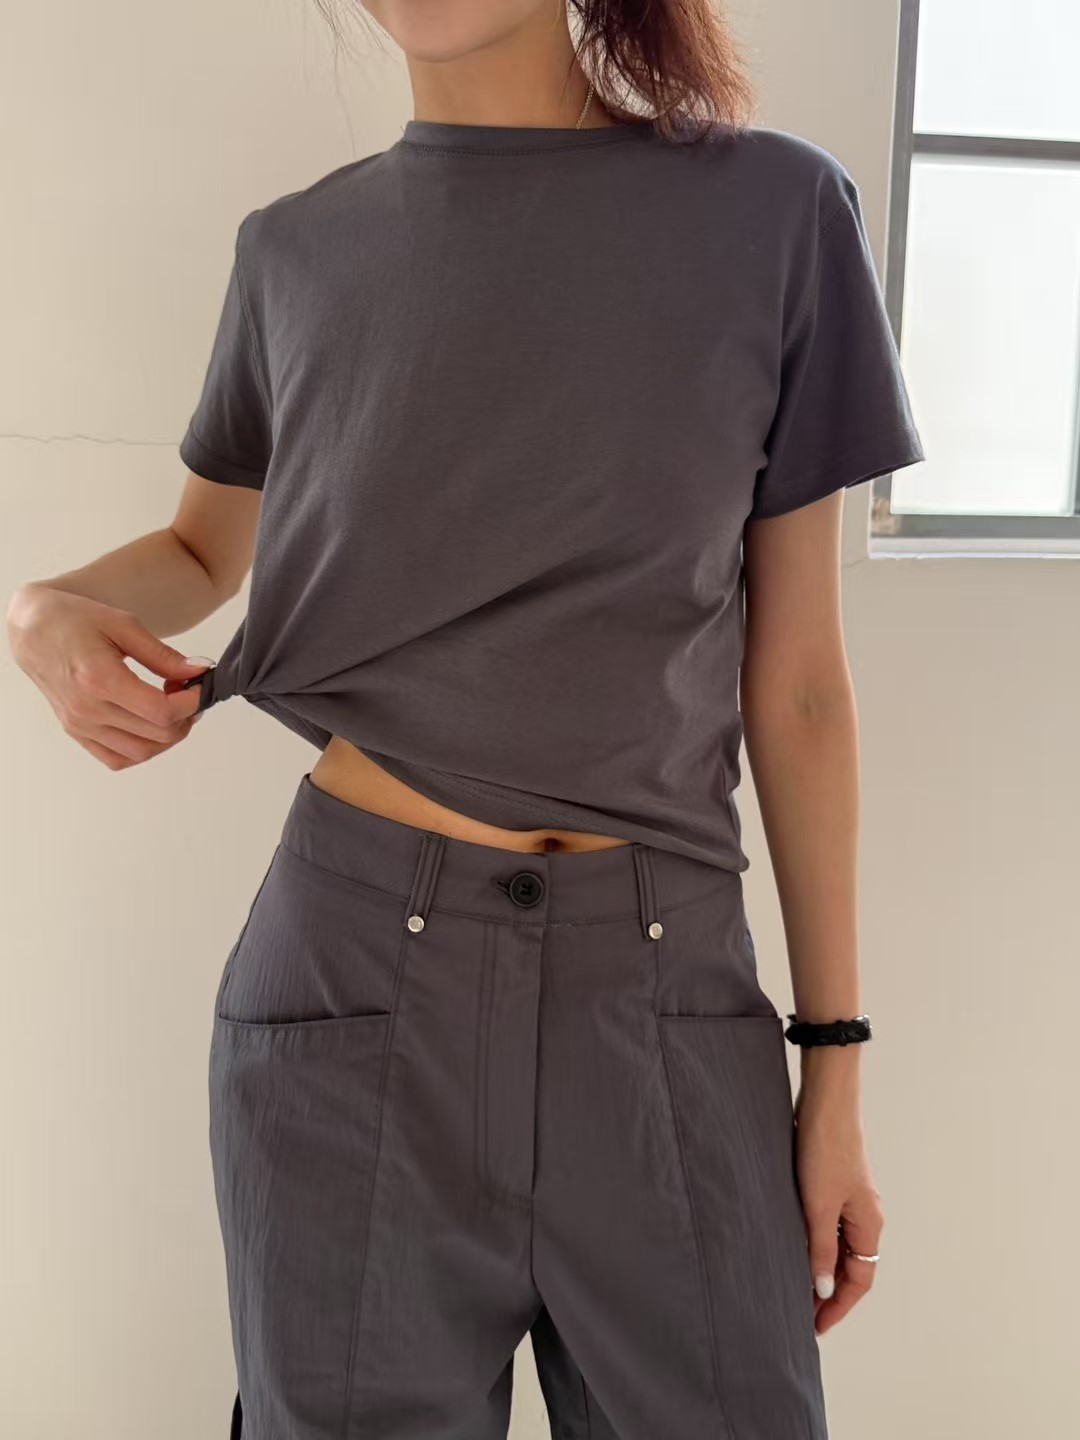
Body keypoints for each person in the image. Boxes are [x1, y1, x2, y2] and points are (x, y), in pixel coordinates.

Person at [6, 2, 924, 1436]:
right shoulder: (296, 252)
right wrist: (42, 611)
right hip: (351, 975)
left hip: (663, 986)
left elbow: (800, 680)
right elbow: (201, 550)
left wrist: (837, 1068)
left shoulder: (775, 211)